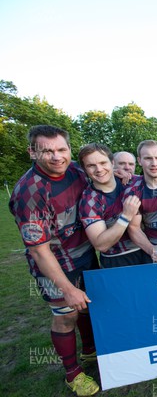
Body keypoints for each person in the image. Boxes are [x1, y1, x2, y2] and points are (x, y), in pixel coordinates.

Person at [9, 125, 100, 396]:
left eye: (62, 149)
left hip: (84, 254)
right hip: (54, 263)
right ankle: (73, 374)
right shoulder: (29, 192)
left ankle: (91, 352)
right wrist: (67, 288)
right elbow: (39, 250)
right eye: (47, 151)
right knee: (66, 314)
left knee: (86, 307)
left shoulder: (76, 172)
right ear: (32, 152)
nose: (57, 156)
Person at [78, 143, 150, 268]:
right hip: (117, 259)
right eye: (91, 166)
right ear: (84, 169)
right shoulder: (89, 200)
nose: (99, 169)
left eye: (103, 163)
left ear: (112, 163)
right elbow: (101, 245)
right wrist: (126, 216)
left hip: (147, 250)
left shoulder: (131, 182)